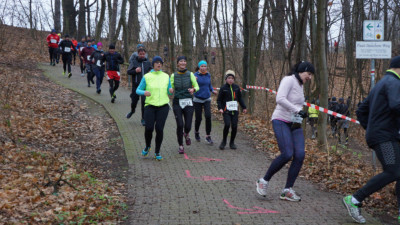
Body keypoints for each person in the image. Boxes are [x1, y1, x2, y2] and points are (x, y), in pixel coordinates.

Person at [343, 56, 400, 224]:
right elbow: (397, 105)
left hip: (383, 135)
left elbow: (361, 110)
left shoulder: (381, 84)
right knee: (394, 171)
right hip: (385, 137)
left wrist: (372, 129)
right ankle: (354, 200)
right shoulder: (394, 83)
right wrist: (379, 130)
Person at [256, 61, 314, 201]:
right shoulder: (289, 80)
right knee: (288, 153)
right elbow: (280, 99)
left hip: (295, 124)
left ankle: (287, 190)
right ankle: (263, 181)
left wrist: (299, 113)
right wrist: (298, 110)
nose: (310, 77)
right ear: (302, 71)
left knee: (299, 155)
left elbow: (296, 103)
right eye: (309, 74)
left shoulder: (300, 85)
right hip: (281, 120)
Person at [136, 56, 173, 161]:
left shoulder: (166, 76)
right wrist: (144, 92)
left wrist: (170, 91)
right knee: (149, 128)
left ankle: (157, 151)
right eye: (156, 62)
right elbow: (138, 90)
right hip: (150, 106)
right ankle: (148, 146)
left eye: (160, 63)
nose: (159, 64)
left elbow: (169, 91)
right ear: (153, 64)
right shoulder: (147, 76)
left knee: (159, 129)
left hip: (163, 106)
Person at [171, 56, 199, 154]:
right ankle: (181, 145)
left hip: (188, 102)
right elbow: (170, 89)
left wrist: (193, 89)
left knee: (188, 125)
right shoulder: (173, 75)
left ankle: (186, 134)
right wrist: (170, 90)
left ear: (186, 63)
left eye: (184, 61)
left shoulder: (190, 74)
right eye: (181, 61)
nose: (183, 63)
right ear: (178, 63)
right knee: (180, 124)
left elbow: (196, 86)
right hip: (177, 102)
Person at [217, 70, 247, 150]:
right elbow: (219, 100)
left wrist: (244, 107)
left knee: (234, 126)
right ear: (226, 79)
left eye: (232, 78)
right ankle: (223, 141)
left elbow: (240, 98)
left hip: (235, 110)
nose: (230, 80)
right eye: (229, 78)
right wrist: (220, 108)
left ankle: (232, 142)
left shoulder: (236, 87)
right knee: (227, 124)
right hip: (226, 110)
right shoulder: (223, 88)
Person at [126, 47, 152, 125]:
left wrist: (151, 71)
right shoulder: (134, 62)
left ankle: (143, 118)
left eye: (143, 54)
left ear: (145, 54)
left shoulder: (148, 62)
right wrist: (135, 71)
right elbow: (128, 71)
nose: (142, 55)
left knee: (144, 102)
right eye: (140, 54)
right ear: (138, 54)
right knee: (134, 101)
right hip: (136, 85)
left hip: (145, 86)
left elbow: (152, 71)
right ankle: (132, 110)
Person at [193, 60, 217, 145]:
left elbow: (209, 85)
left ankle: (208, 136)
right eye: (202, 66)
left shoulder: (208, 75)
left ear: (206, 67)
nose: (203, 68)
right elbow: (192, 86)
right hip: (198, 99)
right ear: (199, 67)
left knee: (208, 116)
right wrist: (194, 82)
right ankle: (196, 132)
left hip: (207, 98)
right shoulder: (195, 75)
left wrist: (212, 90)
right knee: (198, 118)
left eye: (205, 66)